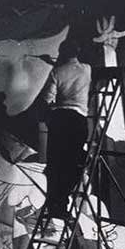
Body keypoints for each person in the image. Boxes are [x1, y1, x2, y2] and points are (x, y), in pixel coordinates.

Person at [40, 39, 91, 223]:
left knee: (56, 163)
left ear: (62, 53)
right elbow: (73, 68)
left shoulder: (57, 72)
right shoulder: (87, 69)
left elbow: (47, 98)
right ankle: (61, 203)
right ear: (77, 52)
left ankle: (56, 205)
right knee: (74, 163)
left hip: (59, 119)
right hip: (77, 120)